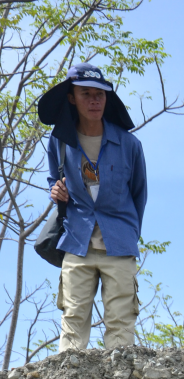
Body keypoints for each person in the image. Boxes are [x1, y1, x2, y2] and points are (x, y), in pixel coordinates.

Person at [38, 63, 147, 353]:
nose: (94, 100)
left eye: (100, 94)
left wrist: (129, 233)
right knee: (72, 320)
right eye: (85, 94)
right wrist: (56, 191)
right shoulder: (60, 142)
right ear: (72, 98)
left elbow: (139, 194)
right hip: (77, 241)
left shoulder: (129, 144)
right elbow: (55, 178)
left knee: (121, 323)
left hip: (119, 244)